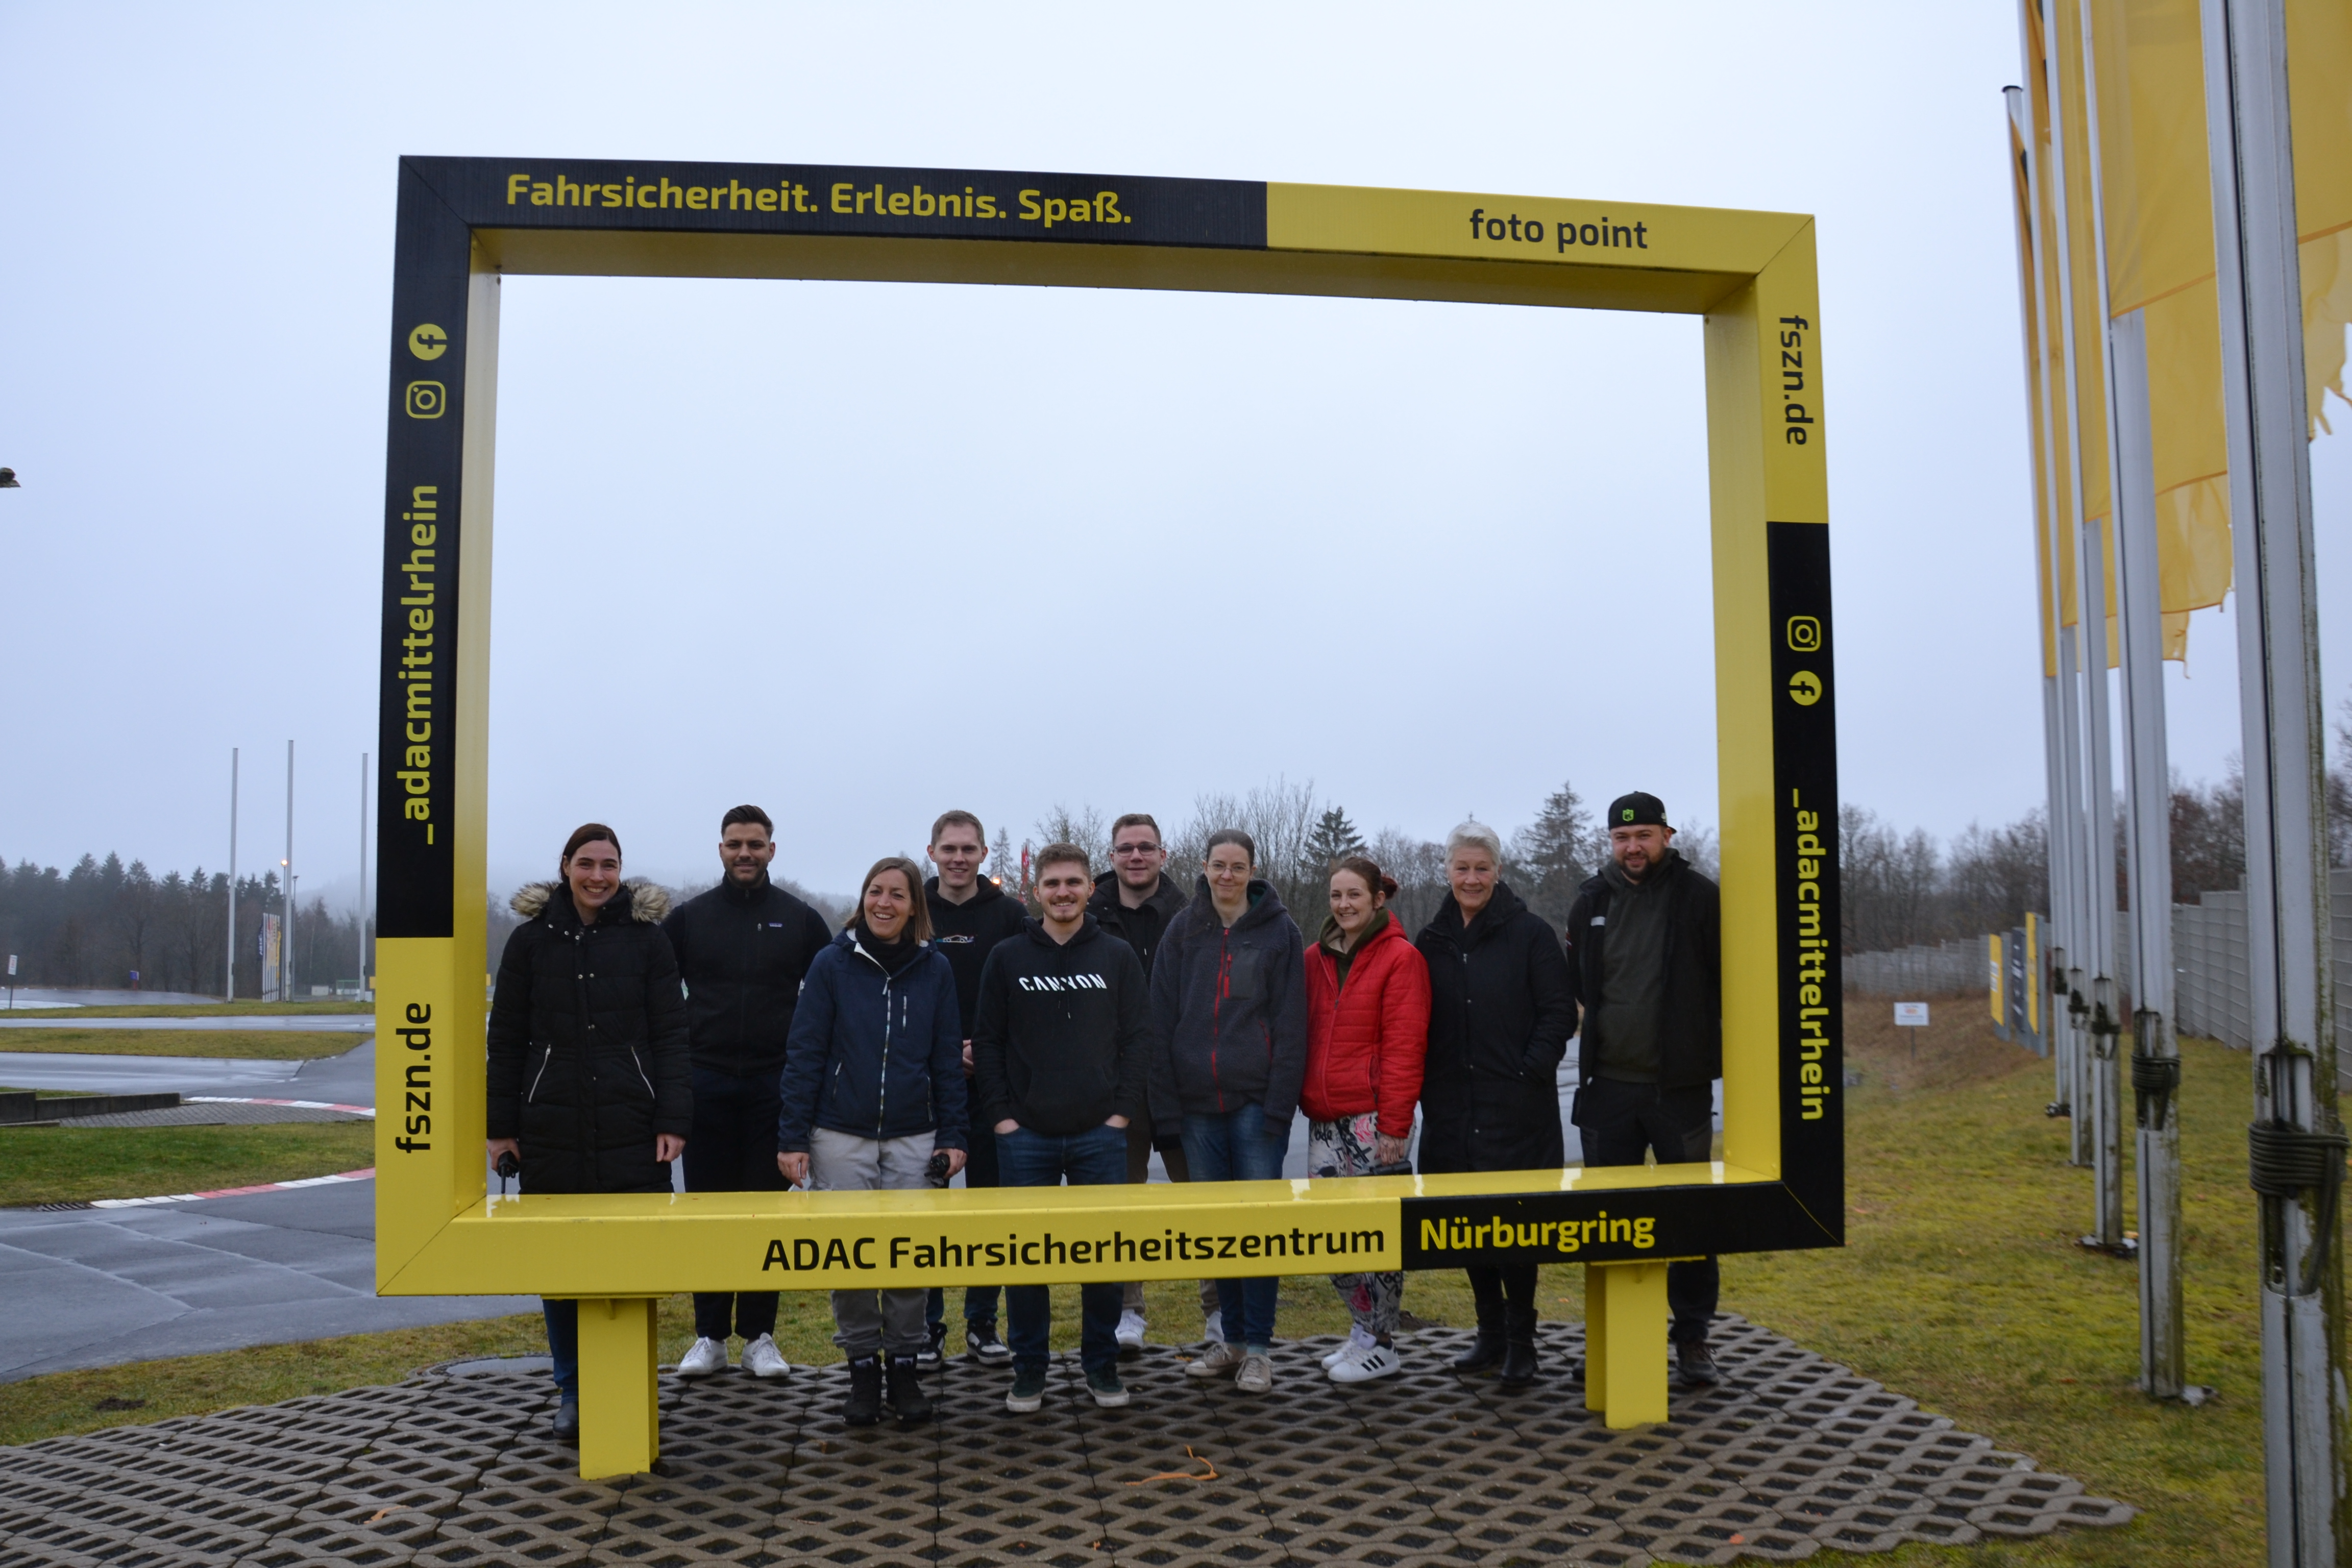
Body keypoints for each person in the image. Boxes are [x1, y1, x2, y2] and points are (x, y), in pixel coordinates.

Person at [485, 824, 692, 1443]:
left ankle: (629, 1381)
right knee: (562, 1264)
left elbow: (672, 1036)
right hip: (551, 1124)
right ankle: (573, 1389)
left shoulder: (649, 941)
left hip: (633, 1123)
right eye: (587, 864)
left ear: (621, 871)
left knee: (633, 1261)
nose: (598, 876)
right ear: (566, 866)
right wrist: (501, 1129)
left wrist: (673, 1118)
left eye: (609, 865)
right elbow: (506, 1040)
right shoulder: (529, 942)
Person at [776, 857, 968, 1428]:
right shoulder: (831, 963)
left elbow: (946, 1059)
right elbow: (805, 1052)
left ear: (914, 907)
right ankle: (862, 1368)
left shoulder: (936, 969)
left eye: (897, 895)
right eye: (876, 892)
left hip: (915, 1134)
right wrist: (793, 1136)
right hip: (840, 1133)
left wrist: (953, 1134)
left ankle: (905, 1366)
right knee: (851, 1255)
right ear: (863, 899)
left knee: (910, 1255)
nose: (885, 903)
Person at [972, 843, 1152, 1412]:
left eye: (1073, 882)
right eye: (1052, 884)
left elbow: (1138, 1039)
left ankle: (1101, 1365)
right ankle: (1029, 1370)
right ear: (1037, 892)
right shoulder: (1007, 957)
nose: (1064, 892)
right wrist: (1002, 1118)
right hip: (1025, 1136)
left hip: (1101, 1133)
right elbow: (988, 1043)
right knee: (1027, 1260)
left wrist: (1121, 1113)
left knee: (1103, 1257)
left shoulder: (1117, 955)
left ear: (1090, 889)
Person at [663, 805, 832, 1383]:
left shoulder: (801, 919)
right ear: (720, 849)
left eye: (755, 844)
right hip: (705, 1084)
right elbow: (658, 998)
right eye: (735, 843)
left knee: (766, 1214)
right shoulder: (689, 919)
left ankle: (760, 1337)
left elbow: (830, 995)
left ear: (771, 851)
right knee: (708, 1214)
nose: (745, 853)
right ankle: (710, 1336)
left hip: (774, 1088)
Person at [1563, 791, 1725, 1385]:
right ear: (1611, 842)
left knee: (1690, 1219)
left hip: (1678, 1089)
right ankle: (1613, 1337)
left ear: (1666, 836)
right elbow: (1581, 983)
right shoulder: (1591, 900)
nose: (1633, 847)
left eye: (1644, 836)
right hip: (1608, 1089)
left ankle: (1693, 1339)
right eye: (1622, 838)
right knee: (1608, 1223)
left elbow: (1725, 980)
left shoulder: (1701, 897)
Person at [1414, 820, 1577, 1389]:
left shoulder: (1531, 934)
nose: (1472, 878)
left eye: (1482, 869)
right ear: (1447, 872)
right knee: (1466, 1227)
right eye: (1462, 868)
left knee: (1516, 1230)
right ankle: (1489, 1333)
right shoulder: (1430, 941)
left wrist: (1530, 1070)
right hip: (1452, 1111)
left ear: (1498, 872)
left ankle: (1522, 1343)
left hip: (1517, 1112)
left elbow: (1559, 1011)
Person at [1146, 828, 1307, 1395]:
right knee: (1217, 1231)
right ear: (1205, 867)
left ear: (1252, 871)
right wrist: (1166, 1108)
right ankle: (1230, 1340)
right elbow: (1160, 1020)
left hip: (1256, 1107)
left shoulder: (1280, 933)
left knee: (1257, 1230)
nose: (1227, 876)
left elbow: (1292, 1025)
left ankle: (1259, 1349)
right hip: (1197, 1109)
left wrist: (1280, 1108)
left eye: (1238, 867)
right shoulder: (1183, 930)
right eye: (1219, 865)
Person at [1086, 811, 1218, 1351]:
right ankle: (1127, 1313)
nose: (1136, 856)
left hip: (1183, 1085)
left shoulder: (1195, 916)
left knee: (1205, 1204)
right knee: (1119, 1203)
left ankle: (1218, 1313)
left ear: (1164, 855)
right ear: (1112, 856)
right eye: (1126, 848)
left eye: (1146, 847)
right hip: (1113, 1086)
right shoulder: (1087, 918)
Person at [1301, 854, 1430, 1383]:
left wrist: (1395, 1126)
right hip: (1325, 1118)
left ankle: (1382, 1341)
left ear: (1378, 899)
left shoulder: (1401, 958)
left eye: (1355, 894)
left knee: (1376, 1236)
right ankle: (1361, 1329)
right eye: (1337, 895)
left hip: (1375, 1121)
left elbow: (1405, 1046)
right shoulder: (1315, 959)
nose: (1344, 904)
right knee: (1333, 1234)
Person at [921, 809, 1028, 1366]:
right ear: (932, 853)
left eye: (969, 849)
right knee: (928, 1213)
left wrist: (984, 1051)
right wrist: (943, 1054)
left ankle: (983, 1323)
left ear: (984, 854)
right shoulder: (912, 909)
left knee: (991, 1210)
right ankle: (926, 1325)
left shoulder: (1011, 915)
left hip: (994, 1085)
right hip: (926, 1086)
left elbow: (1028, 993)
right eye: (949, 849)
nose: (959, 858)